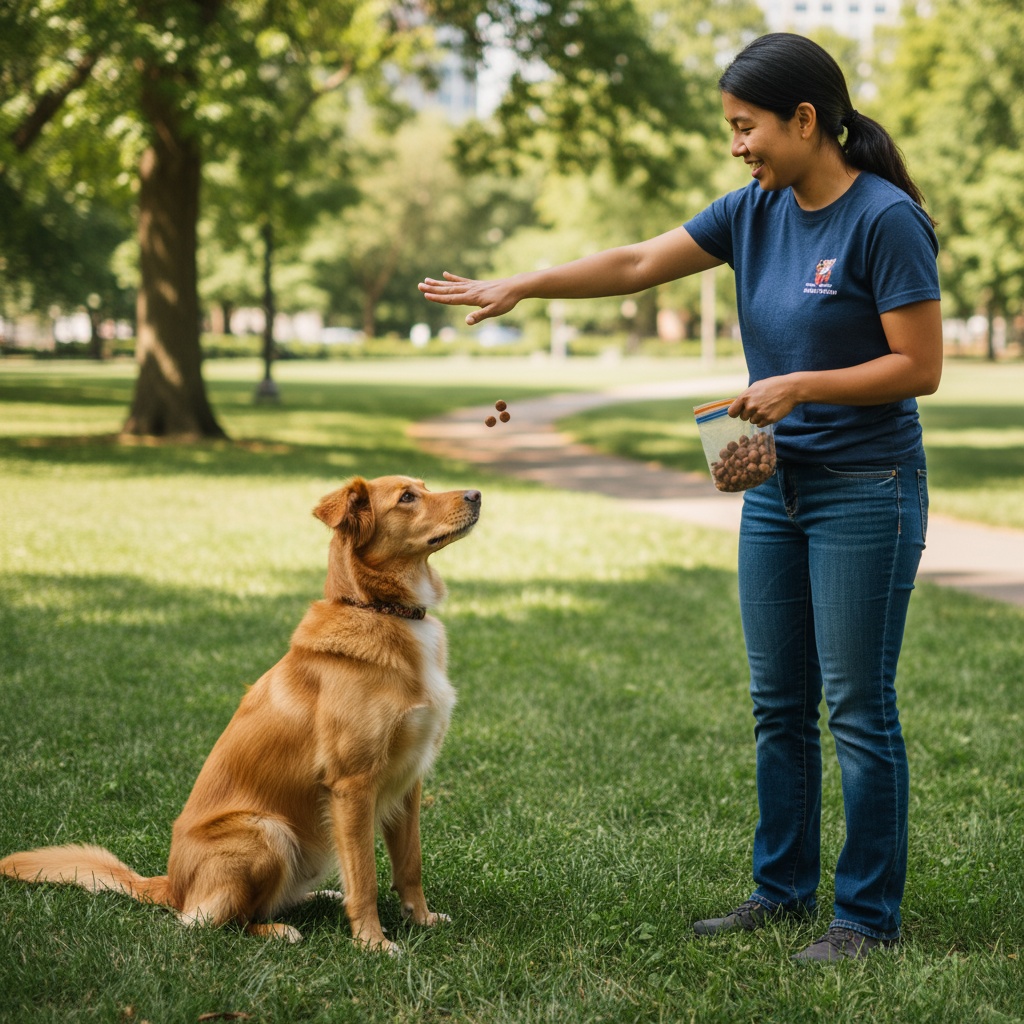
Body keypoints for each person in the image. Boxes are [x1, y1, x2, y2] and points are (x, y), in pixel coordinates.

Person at [419, 32, 941, 962]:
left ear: (806, 120)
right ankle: (780, 892)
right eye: (731, 130)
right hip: (773, 484)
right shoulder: (753, 211)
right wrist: (520, 286)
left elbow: (920, 367)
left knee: (858, 706)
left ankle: (865, 917)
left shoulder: (884, 219)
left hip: (866, 485)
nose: (737, 146)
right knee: (777, 702)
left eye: (747, 128)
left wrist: (801, 385)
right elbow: (631, 264)